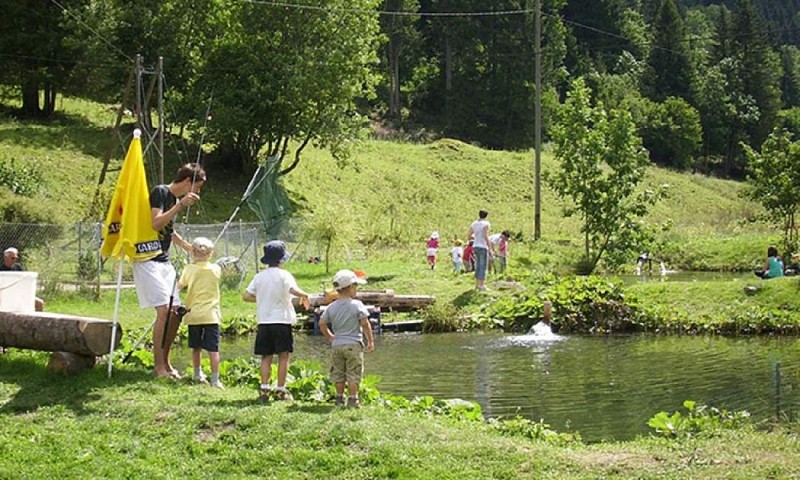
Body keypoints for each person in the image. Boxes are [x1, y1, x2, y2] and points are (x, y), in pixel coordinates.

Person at [133, 163, 205, 379]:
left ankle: (166, 362)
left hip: (164, 261)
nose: (198, 192)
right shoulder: (160, 192)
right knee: (164, 311)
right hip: (147, 259)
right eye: (197, 187)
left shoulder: (173, 200)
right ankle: (158, 368)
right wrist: (179, 206)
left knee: (176, 311)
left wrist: (187, 247)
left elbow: (168, 230)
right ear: (186, 182)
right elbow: (156, 223)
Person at [243, 240, 310, 402]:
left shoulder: (259, 277)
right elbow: (292, 290)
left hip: (264, 321)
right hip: (282, 320)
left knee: (265, 356)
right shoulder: (284, 275)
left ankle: (264, 389)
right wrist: (304, 295)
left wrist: (262, 299)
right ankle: (281, 389)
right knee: (283, 356)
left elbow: (246, 296)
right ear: (281, 260)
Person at [318, 269, 375, 408]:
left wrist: (330, 336)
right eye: (356, 286)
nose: (356, 289)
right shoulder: (357, 305)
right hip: (353, 344)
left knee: (338, 372)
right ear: (350, 288)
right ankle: (353, 399)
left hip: (337, 345)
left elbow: (322, 323)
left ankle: (338, 398)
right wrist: (371, 341)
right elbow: (365, 323)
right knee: (353, 372)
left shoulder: (331, 307)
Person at [178, 237, 224, 388]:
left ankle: (197, 374)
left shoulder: (188, 269)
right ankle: (215, 380)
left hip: (193, 314)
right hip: (211, 314)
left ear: (192, 253)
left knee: (196, 347)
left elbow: (180, 285)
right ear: (210, 254)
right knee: (213, 349)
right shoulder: (216, 269)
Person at [1, 247, 44, 311]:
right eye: (12, 258)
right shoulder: (1, 270)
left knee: (39, 303)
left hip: (20, 294)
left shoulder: (18, 267)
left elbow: (25, 280)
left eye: (16, 258)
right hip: (5, 296)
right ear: (5, 258)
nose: (15, 260)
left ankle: (37, 320)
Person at [467, 210, 491, 290]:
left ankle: (477, 284)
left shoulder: (474, 223)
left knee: (477, 265)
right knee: (483, 266)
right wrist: (489, 246)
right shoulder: (486, 224)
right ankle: (482, 284)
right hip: (483, 246)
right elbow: (485, 235)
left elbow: (469, 235)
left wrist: (473, 239)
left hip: (475, 245)